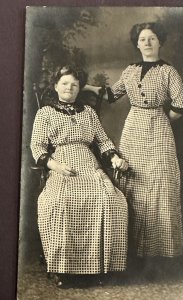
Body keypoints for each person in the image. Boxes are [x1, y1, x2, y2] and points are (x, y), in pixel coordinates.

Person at [100, 22, 183, 272]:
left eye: (152, 38)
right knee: (133, 182)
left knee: (161, 184)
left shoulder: (168, 71)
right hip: (133, 131)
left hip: (159, 129)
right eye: (142, 39)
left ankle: (160, 256)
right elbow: (112, 94)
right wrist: (85, 86)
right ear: (137, 43)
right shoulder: (130, 70)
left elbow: (181, 104)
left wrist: (160, 119)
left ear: (160, 41)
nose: (147, 42)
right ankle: (131, 254)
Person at [30, 65, 128, 288]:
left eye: (74, 84)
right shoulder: (45, 113)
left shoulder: (89, 113)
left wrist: (113, 158)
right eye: (64, 83)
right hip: (61, 165)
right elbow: (37, 145)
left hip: (89, 164)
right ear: (56, 86)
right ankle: (64, 267)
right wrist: (54, 165)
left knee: (112, 199)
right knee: (58, 201)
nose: (69, 88)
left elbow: (103, 141)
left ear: (79, 89)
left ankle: (100, 266)